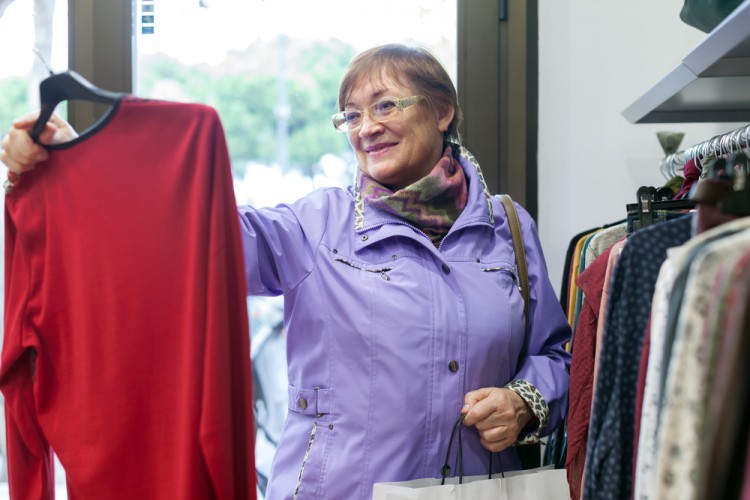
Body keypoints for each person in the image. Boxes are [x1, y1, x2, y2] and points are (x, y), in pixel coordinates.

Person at [1, 44, 571, 499]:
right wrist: (85, 165)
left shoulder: (509, 228)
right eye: (350, 115)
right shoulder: (315, 224)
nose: (364, 127)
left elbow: (557, 356)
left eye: (385, 105)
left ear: (443, 110)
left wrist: (525, 401)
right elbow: (196, 237)